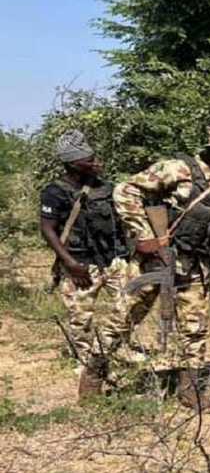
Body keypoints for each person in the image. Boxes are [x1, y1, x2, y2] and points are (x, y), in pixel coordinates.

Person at [113, 121, 210, 409]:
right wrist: (142, 235)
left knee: (194, 328)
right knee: (123, 316)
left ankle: (189, 390)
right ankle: (93, 374)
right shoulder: (178, 169)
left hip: (195, 267)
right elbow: (125, 190)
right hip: (158, 260)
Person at [39, 130, 134, 400]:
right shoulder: (55, 192)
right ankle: (86, 364)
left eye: (93, 157)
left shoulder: (106, 187)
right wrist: (70, 264)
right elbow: (47, 229)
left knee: (128, 307)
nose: (95, 162)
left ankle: (112, 355)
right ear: (72, 163)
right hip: (79, 264)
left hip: (113, 262)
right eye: (88, 159)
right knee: (81, 319)